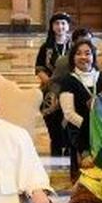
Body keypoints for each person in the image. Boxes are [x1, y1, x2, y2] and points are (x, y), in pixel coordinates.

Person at [57, 39, 102, 180]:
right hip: (78, 128)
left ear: (93, 57)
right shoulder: (68, 80)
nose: (83, 57)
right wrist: (89, 126)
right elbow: (69, 114)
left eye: (88, 53)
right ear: (73, 58)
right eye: (78, 54)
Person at [35, 13, 73, 160]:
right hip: (50, 88)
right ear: (52, 27)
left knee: (69, 117)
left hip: (70, 87)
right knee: (52, 118)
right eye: (57, 24)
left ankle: (69, 146)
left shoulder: (74, 46)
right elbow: (39, 68)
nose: (60, 27)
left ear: (68, 26)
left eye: (63, 23)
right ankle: (56, 145)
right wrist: (51, 82)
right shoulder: (46, 46)